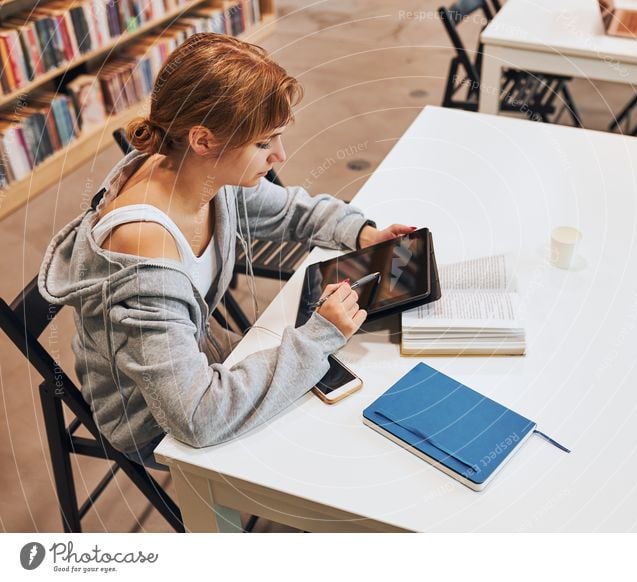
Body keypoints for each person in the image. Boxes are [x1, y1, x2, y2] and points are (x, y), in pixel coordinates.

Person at [38, 33, 414, 469]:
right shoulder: (143, 256)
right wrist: (318, 338)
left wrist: (362, 233)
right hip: (153, 425)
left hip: (197, 362)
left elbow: (288, 212)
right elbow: (197, 418)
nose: (280, 155)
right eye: (263, 143)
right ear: (203, 139)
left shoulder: (193, 172)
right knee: (340, 446)